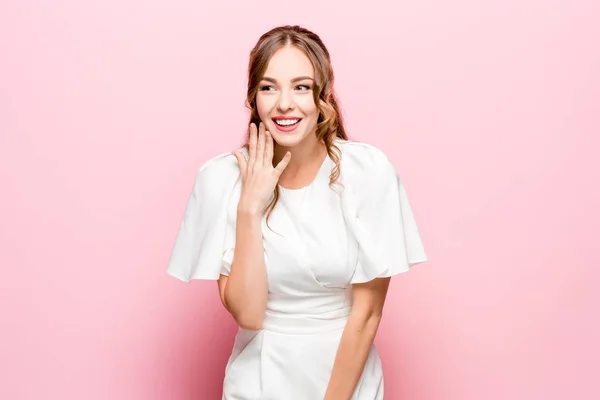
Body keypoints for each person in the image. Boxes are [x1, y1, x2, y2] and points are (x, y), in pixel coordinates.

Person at [167, 25, 428, 400]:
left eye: (301, 87)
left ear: (323, 95)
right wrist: (250, 207)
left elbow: (367, 315)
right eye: (268, 87)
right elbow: (250, 315)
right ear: (253, 98)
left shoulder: (367, 172)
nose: (284, 103)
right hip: (257, 381)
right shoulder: (220, 179)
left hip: (345, 381)